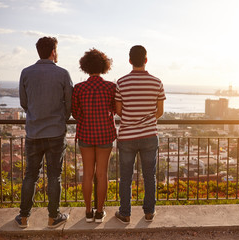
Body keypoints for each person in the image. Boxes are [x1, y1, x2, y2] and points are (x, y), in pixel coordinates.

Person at [15, 36, 73, 228]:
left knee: (30, 175)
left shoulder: (26, 73)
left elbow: (24, 103)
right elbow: (69, 104)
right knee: (54, 176)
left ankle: (23, 218)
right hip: (56, 133)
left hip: (33, 133)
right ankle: (53, 217)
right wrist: (60, 119)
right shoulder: (63, 74)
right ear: (53, 52)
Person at [114, 45, 166, 224]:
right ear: (146, 60)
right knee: (149, 176)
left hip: (127, 136)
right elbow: (159, 112)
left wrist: (131, 118)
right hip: (149, 135)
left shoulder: (121, 83)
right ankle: (149, 212)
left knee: (126, 177)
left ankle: (125, 213)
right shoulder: (157, 82)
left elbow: (119, 110)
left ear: (129, 61)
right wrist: (146, 120)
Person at [71, 49, 116, 223]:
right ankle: (100, 212)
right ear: (104, 67)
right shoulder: (110, 87)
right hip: (105, 134)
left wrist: (85, 117)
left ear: (85, 67)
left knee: (88, 174)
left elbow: (75, 112)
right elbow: (114, 108)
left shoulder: (79, 88)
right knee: (102, 174)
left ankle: (88, 212)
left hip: (85, 134)